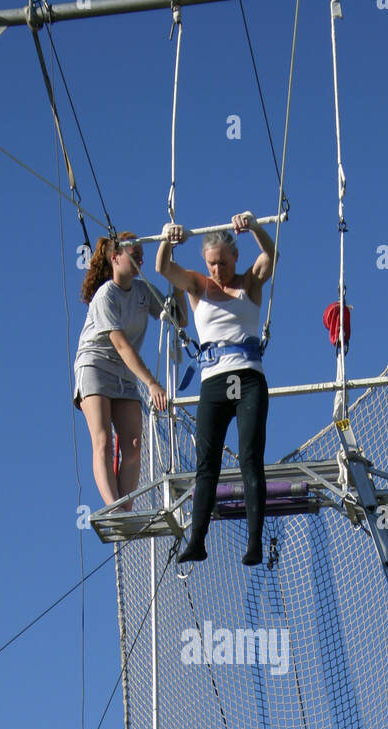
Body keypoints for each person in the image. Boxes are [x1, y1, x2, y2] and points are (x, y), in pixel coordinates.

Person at [156, 212, 278, 565]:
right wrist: (168, 237)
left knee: (250, 459)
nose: (217, 271)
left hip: (248, 377)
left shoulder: (249, 283)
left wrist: (255, 227)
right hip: (213, 381)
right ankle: (197, 540)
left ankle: (253, 542)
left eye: (223, 263)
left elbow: (272, 255)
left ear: (235, 257)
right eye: (211, 264)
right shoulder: (197, 286)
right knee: (205, 466)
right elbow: (164, 267)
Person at [74, 232, 184, 507]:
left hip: (124, 372)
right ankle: (114, 507)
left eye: (141, 257)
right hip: (95, 365)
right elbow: (121, 344)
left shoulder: (142, 292)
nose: (139, 260)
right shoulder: (105, 295)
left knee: (133, 446)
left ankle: (126, 507)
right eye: (134, 255)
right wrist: (151, 383)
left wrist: (176, 281)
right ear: (115, 257)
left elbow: (179, 319)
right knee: (103, 440)